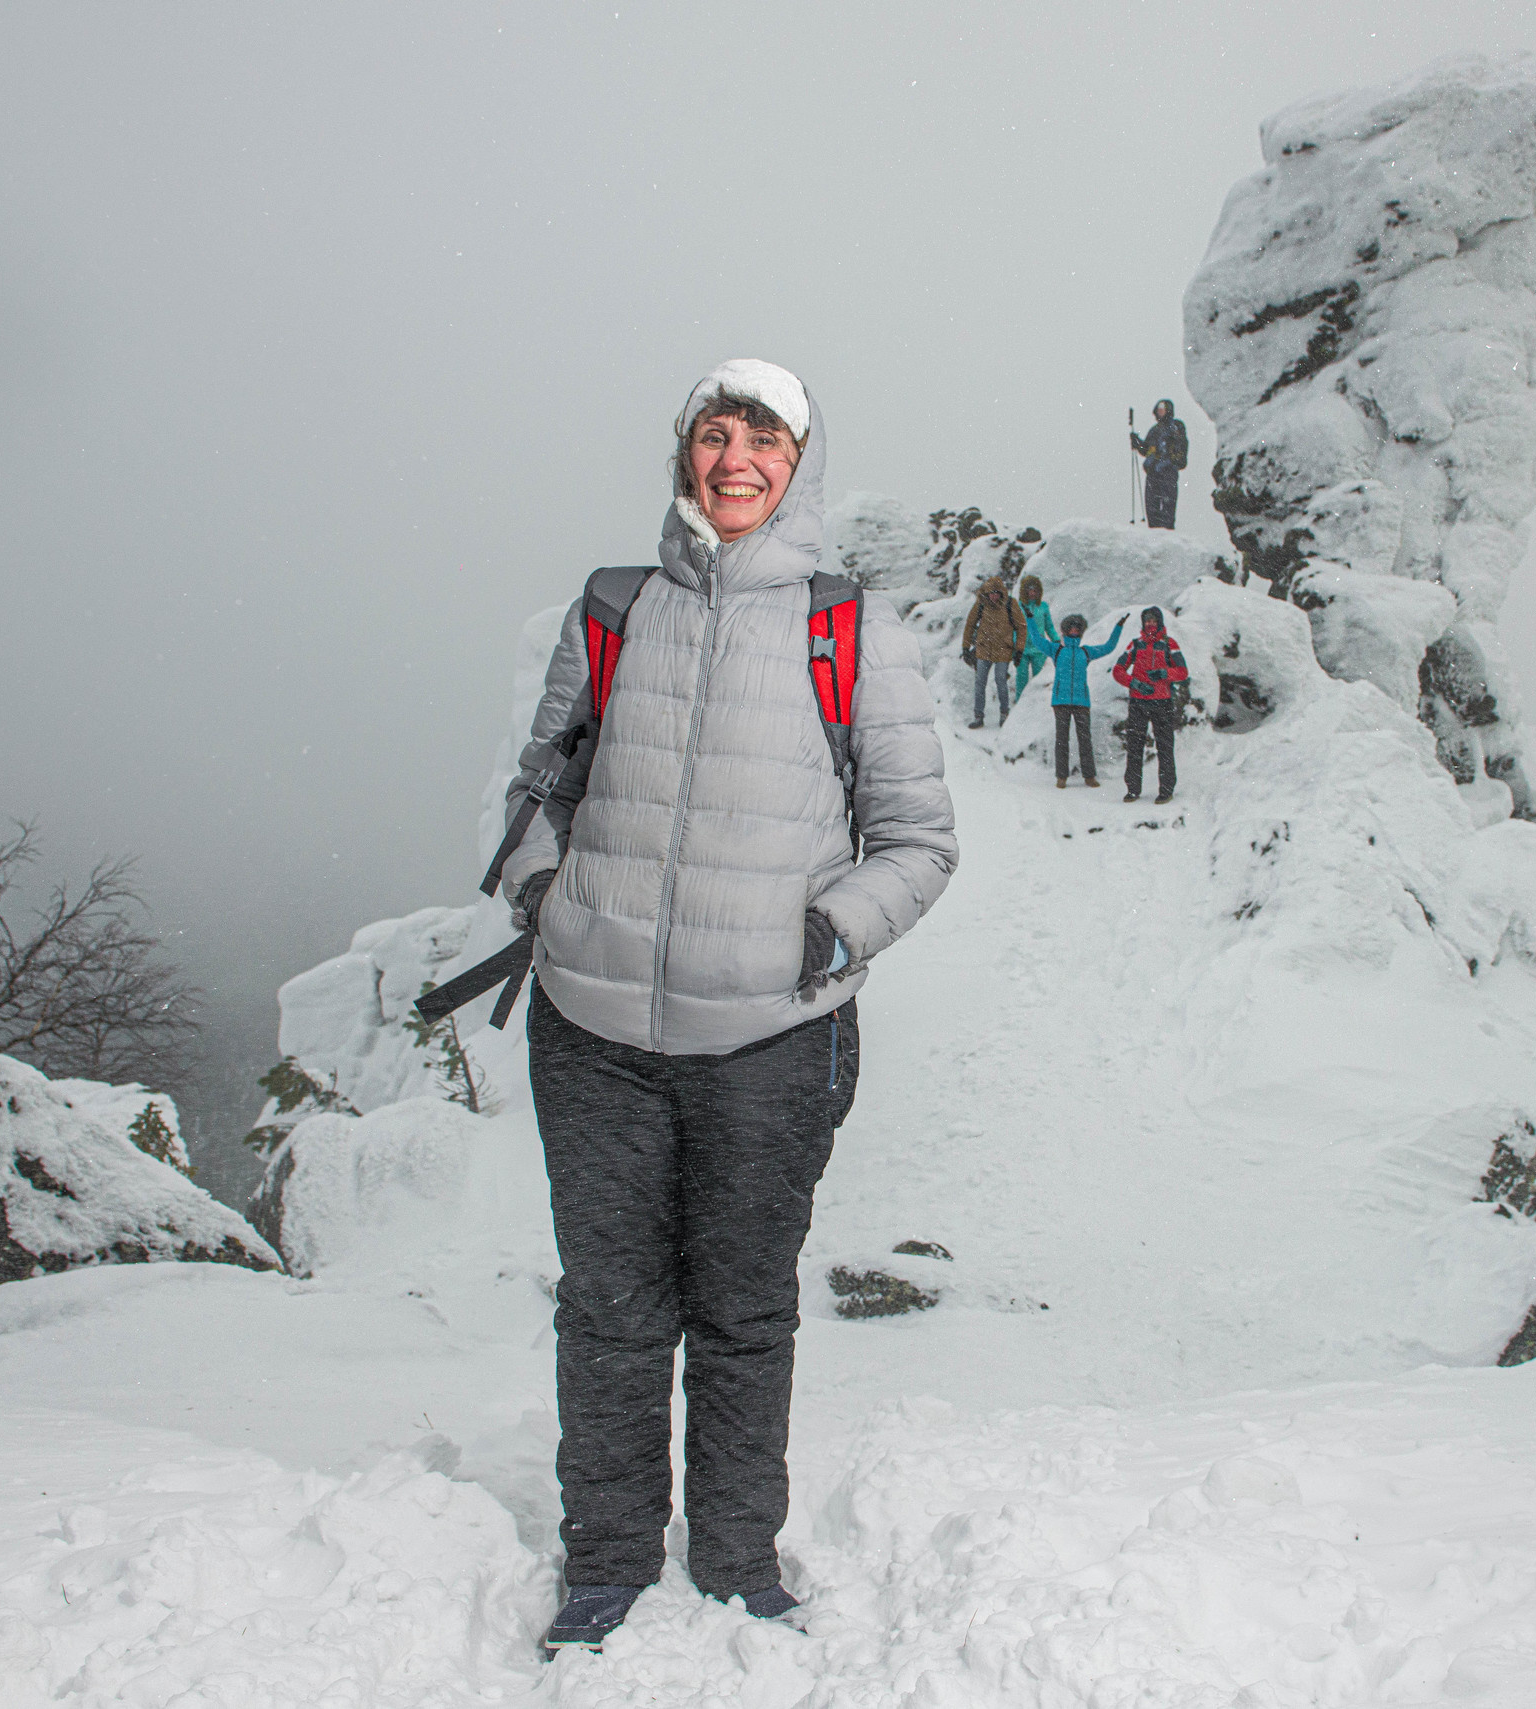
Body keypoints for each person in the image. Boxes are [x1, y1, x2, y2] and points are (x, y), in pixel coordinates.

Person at [491, 358, 957, 1656]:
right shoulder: (615, 607)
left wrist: (826, 936)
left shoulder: (848, 629)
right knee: (609, 1307)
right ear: (683, 453)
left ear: (801, 463)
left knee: (744, 1310)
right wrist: (547, 894)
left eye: (764, 435)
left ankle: (741, 1556)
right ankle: (606, 1563)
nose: (736, 455)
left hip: (768, 1040)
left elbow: (919, 841)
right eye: (714, 431)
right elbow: (540, 787)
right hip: (590, 1035)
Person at [1028, 612, 1124, 788]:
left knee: (1085, 739)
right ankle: (1061, 777)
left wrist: (1119, 627)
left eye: (1076, 629)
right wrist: (1030, 620)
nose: (1073, 631)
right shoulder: (1056, 650)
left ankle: (1089, 776)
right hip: (1060, 701)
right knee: (1061, 739)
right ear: (1065, 631)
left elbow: (1109, 647)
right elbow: (1036, 639)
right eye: (1070, 628)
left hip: (1081, 702)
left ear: (1080, 632)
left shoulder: (1085, 652)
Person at [1110, 605, 1188, 803]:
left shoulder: (1170, 644)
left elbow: (1183, 671)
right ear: (1143, 623)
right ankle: (1133, 789)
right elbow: (1118, 670)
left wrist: (1165, 674)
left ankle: (1166, 790)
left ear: (1159, 622)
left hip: (1162, 702)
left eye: (1153, 620)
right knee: (1134, 746)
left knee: (1165, 746)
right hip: (1138, 701)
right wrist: (1133, 683)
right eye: (1147, 621)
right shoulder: (1135, 644)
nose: (1150, 624)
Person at [961, 572, 1026, 729]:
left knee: (1000, 681)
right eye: (991, 593)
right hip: (984, 649)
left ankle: (1004, 713)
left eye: (996, 593)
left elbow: (1021, 627)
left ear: (1001, 593)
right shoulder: (981, 605)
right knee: (980, 683)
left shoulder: (1010, 604)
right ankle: (978, 716)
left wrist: (1019, 650)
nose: (994, 597)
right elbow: (970, 624)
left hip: (1003, 650)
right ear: (987, 593)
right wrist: (965, 646)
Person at [1130, 400, 1188, 530]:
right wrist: (1137, 442)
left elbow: (1179, 444)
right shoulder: (1154, 430)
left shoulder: (1176, 426)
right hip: (1153, 472)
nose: (1160, 412)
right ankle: (1155, 532)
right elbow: (1146, 450)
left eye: (1163, 409)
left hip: (1168, 471)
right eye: (1159, 409)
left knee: (1168, 503)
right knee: (1152, 504)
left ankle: (1167, 531)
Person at [1013, 574, 1060, 705]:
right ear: (1024, 591)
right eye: (1030, 590)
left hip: (1039, 649)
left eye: (1035, 591)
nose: (1032, 593)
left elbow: (1049, 626)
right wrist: (1015, 648)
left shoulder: (1043, 606)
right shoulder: (1018, 607)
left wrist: (1056, 640)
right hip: (1022, 649)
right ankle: (1019, 707)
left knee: (1038, 680)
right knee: (1021, 679)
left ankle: (1036, 707)